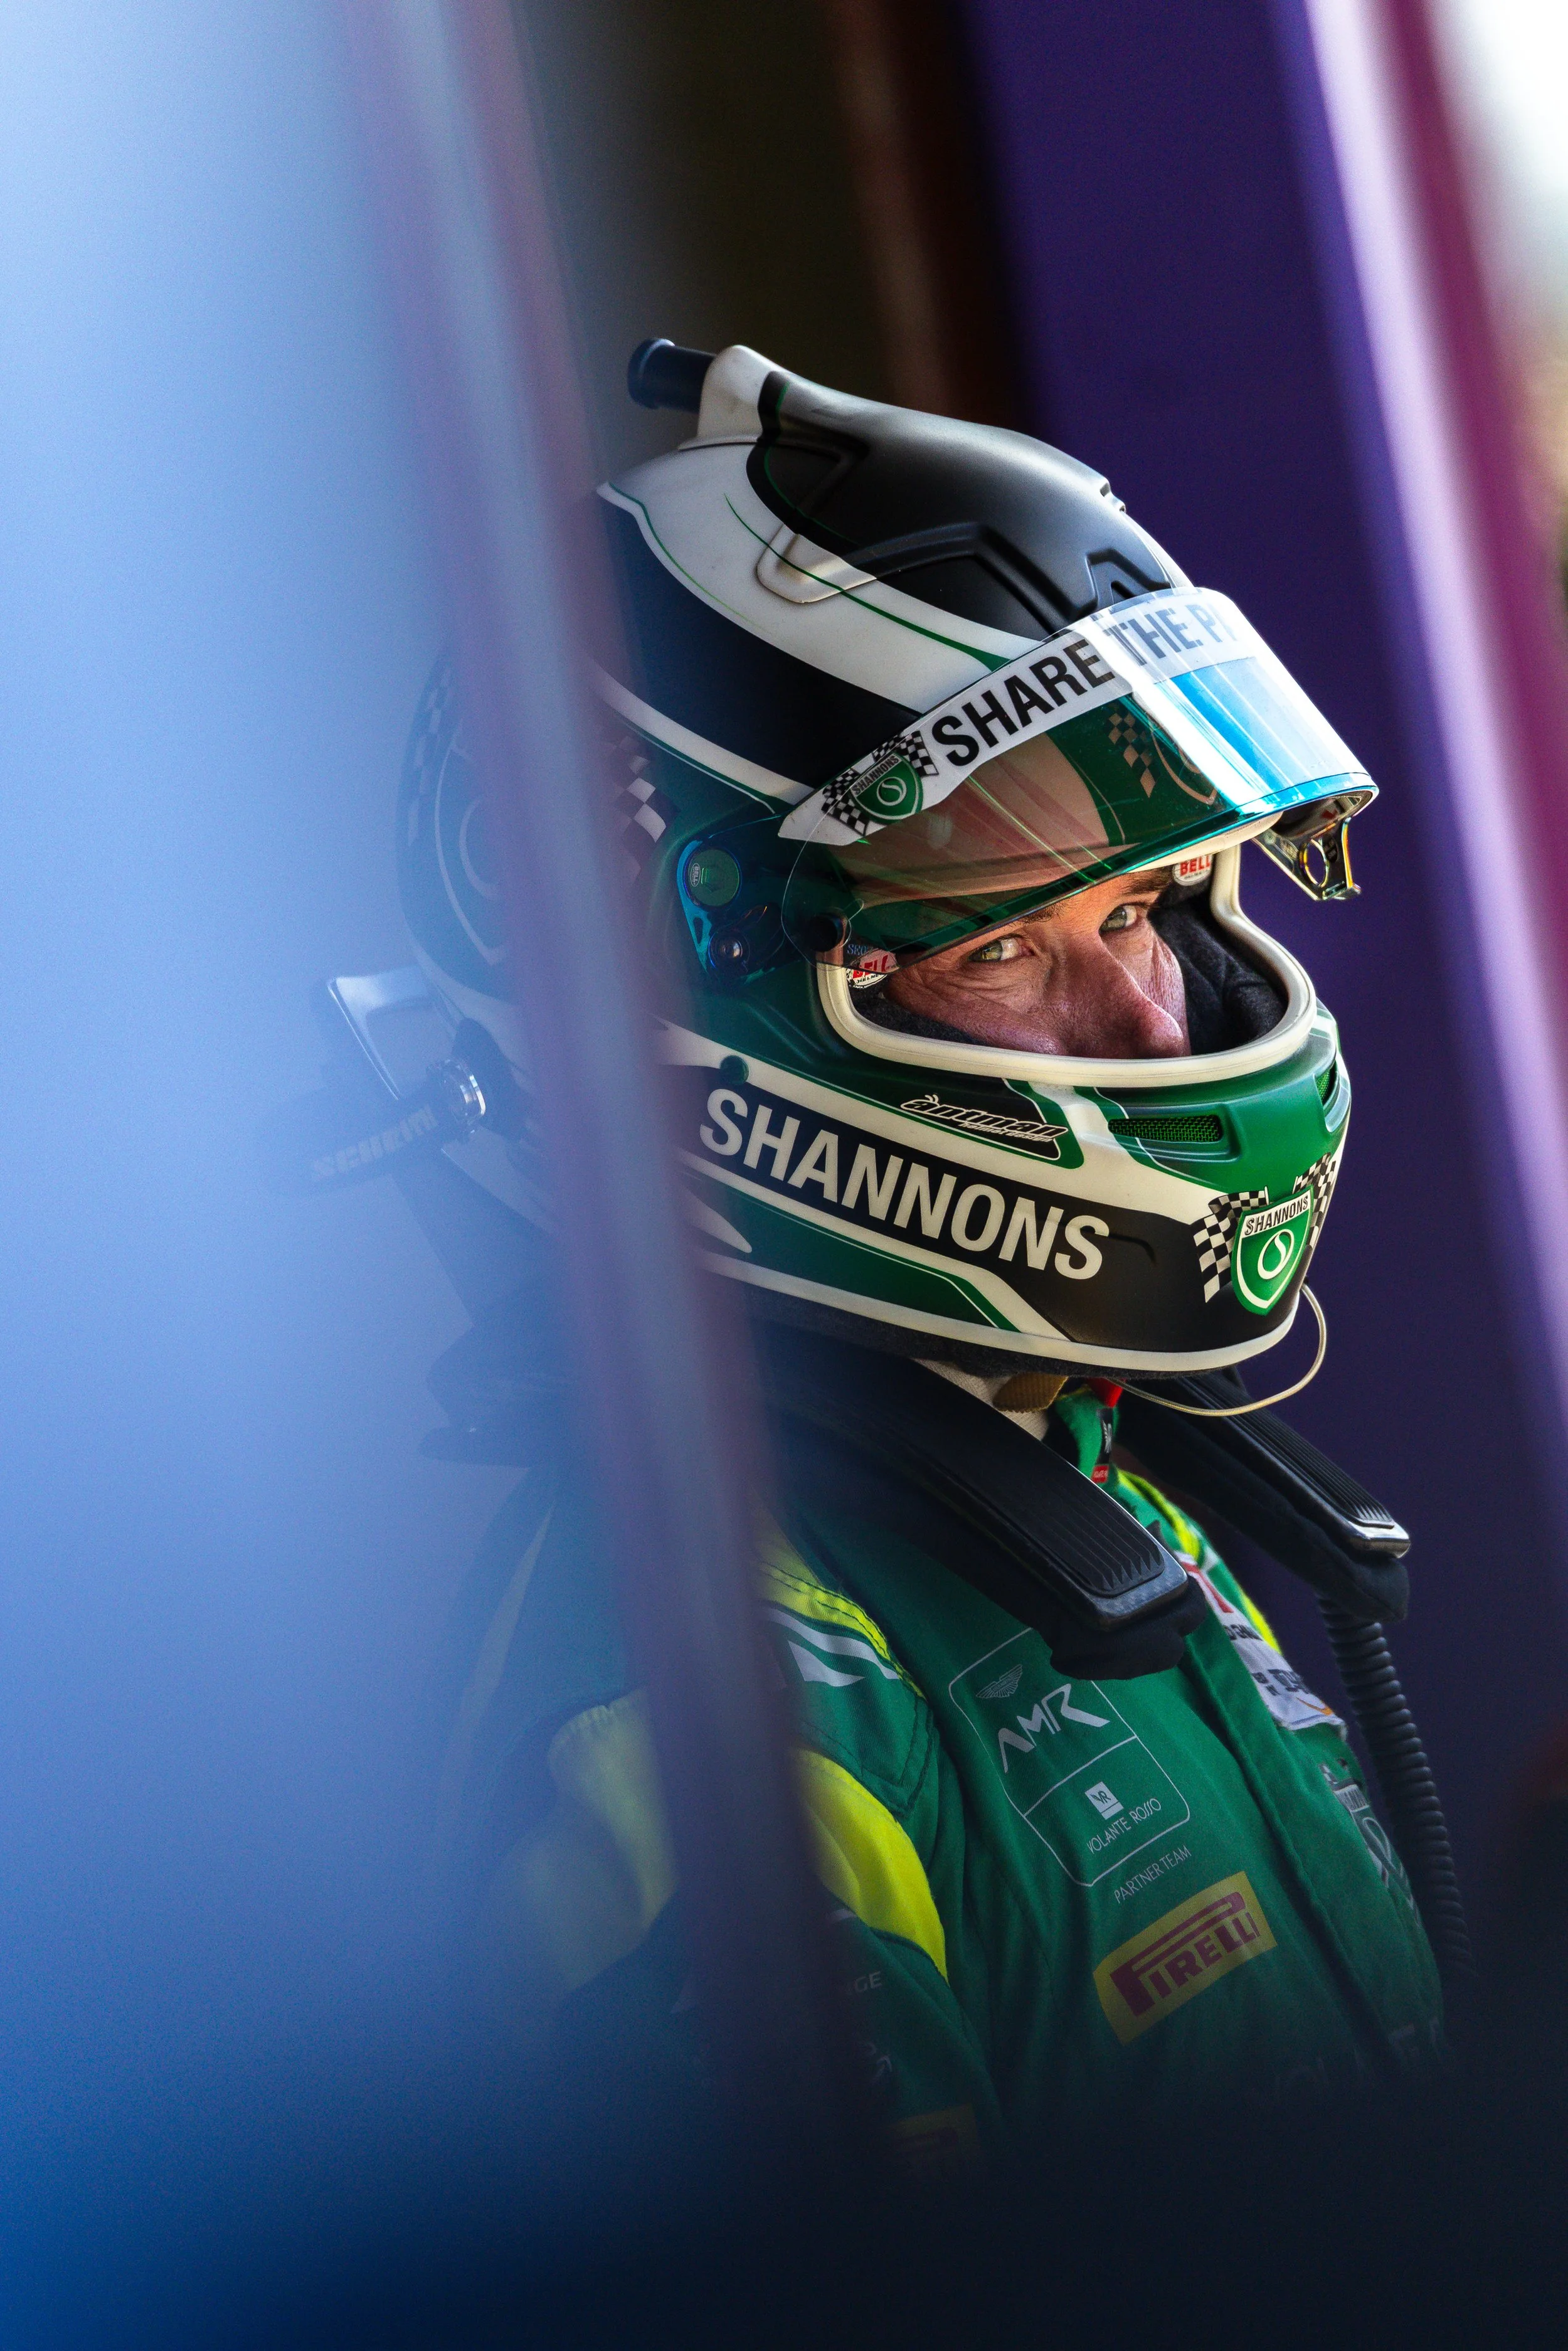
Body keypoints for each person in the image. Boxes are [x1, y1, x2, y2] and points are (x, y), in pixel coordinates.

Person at [397, 346, 1443, 2150]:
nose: (1143, 1018)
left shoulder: (1055, 1452)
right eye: (1005, 946)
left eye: (1138, 907)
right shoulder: (707, 1727)